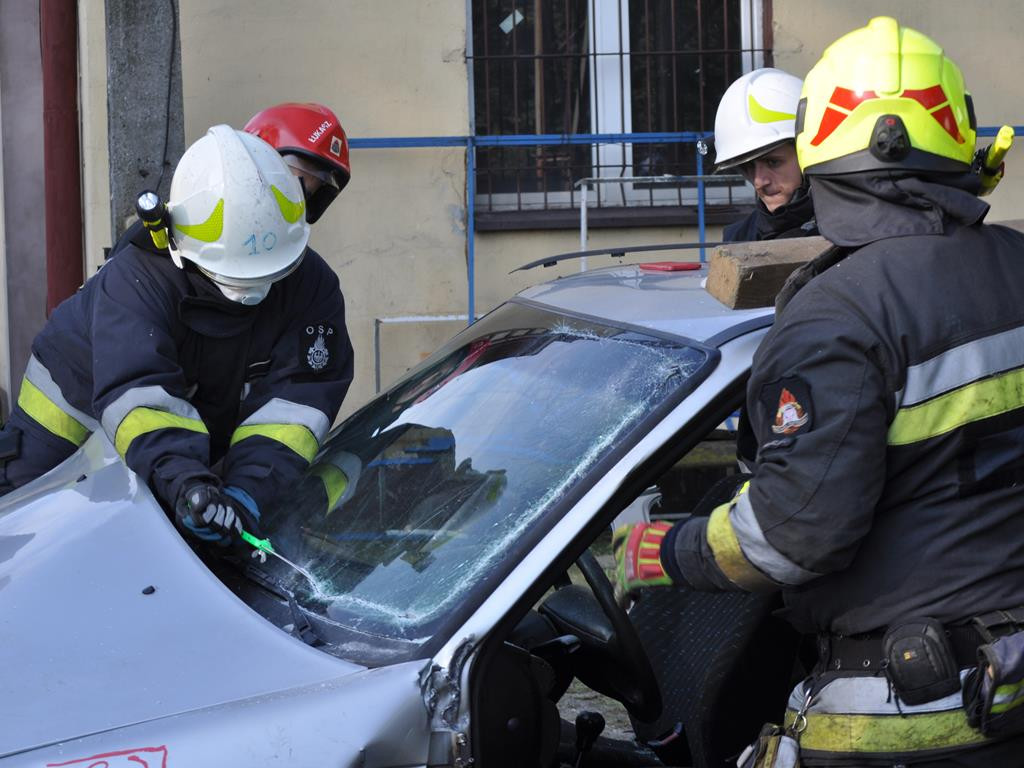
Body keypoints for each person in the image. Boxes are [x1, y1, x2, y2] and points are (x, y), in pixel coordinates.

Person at [615, 16, 1024, 766]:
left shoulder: (839, 311)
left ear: (821, 149)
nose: (763, 182)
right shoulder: (1015, 264)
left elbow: (792, 535)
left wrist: (659, 550)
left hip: (903, 713)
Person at [0, 124, 353, 550]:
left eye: (267, 278)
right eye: (232, 280)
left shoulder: (310, 285)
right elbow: (139, 395)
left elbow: (295, 408)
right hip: (68, 411)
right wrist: (185, 481)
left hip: (180, 432)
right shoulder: (138, 278)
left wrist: (244, 495)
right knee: (25, 533)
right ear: (181, 242)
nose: (252, 295)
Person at [714, 67, 817, 242]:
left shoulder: (847, 232)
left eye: (773, 162)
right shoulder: (739, 239)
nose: (759, 182)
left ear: (808, 154)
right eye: (748, 167)